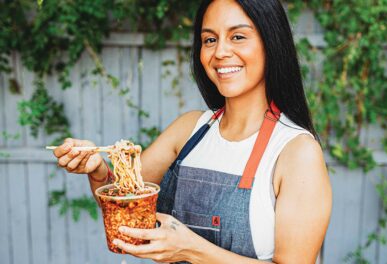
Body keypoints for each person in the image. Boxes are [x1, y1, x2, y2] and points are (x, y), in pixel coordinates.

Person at [52, 0, 332, 263]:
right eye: (210, 39)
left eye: (238, 37)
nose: (220, 51)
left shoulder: (296, 152)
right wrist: (98, 171)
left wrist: (192, 249)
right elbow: (122, 210)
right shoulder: (189, 131)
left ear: (271, 43)